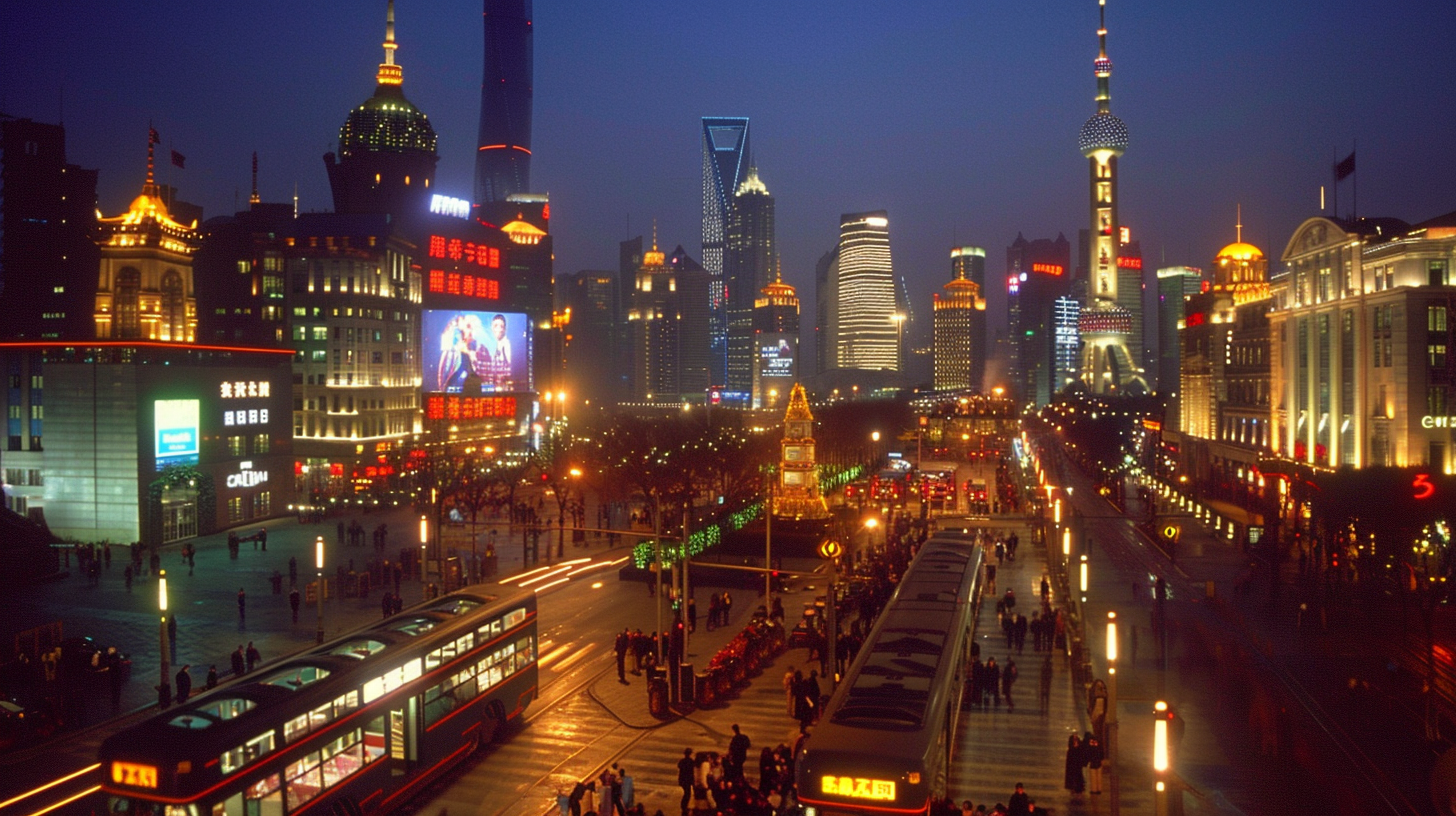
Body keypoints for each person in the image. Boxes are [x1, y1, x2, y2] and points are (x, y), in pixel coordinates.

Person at [1064, 734, 1086, 802]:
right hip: (1073, 767)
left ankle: (1079, 791)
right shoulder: (1071, 750)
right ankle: (1073, 789)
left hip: (1077, 767)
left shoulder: (1079, 748)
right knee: (1073, 778)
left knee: (1078, 779)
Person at [677, 748, 696, 815]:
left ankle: (684, 806)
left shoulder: (682, 761)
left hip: (683, 779)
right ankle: (684, 806)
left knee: (686, 793)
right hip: (688, 779)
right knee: (687, 794)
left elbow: (679, 767)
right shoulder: (691, 762)